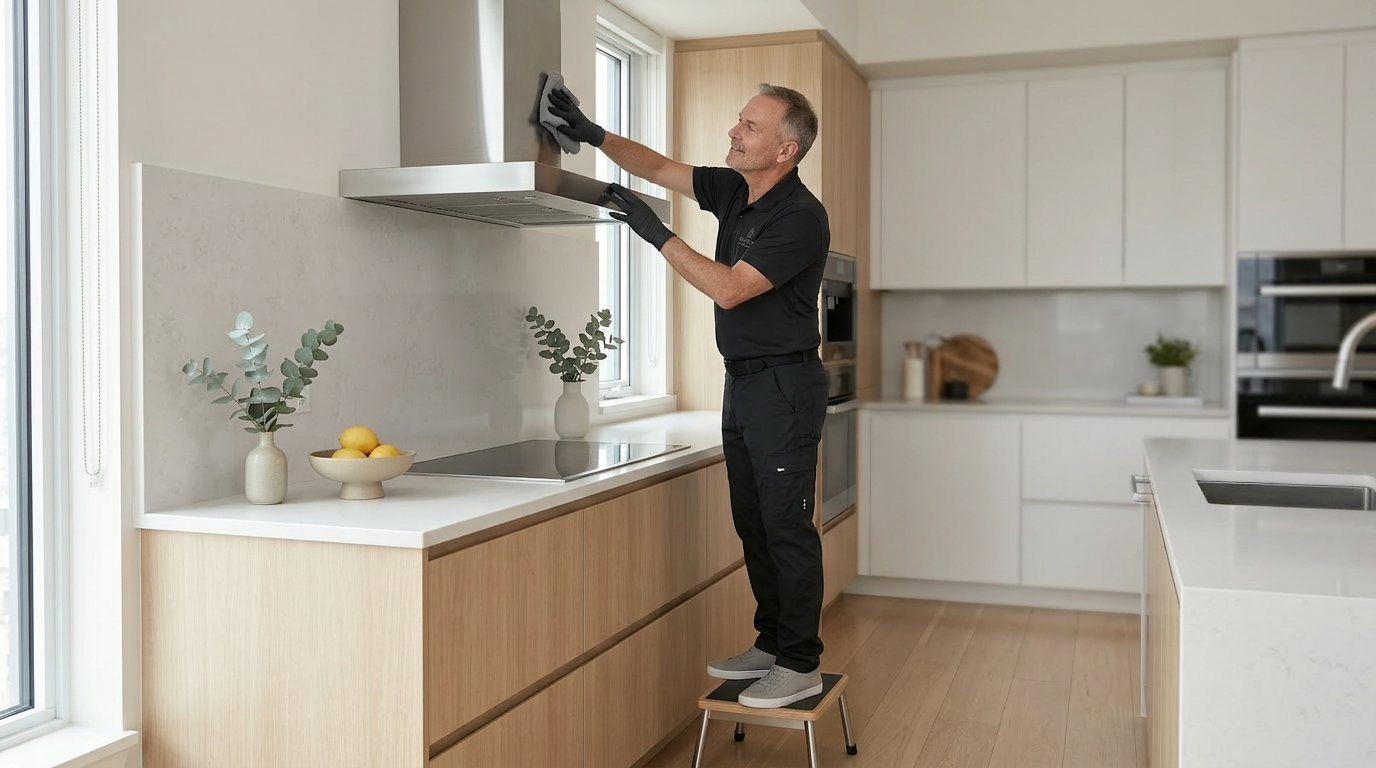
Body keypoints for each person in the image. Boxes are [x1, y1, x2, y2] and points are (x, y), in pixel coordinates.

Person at [548, 83, 830, 709]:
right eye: (738, 120)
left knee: (785, 525)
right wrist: (592, 133)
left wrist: (655, 234)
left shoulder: (801, 217)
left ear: (785, 149)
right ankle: (771, 642)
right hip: (744, 382)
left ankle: (801, 662)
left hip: (784, 386)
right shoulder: (734, 189)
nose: (734, 132)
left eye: (750, 127)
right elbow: (655, 166)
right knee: (753, 520)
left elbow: (730, 289)